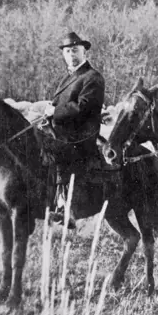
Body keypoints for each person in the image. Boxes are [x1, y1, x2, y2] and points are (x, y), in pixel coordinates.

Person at [43, 31, 114, 226]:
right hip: (62, 131)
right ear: (63, 55)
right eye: (67, 51)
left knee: (57, 151)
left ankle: (65, 207)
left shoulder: (93, 77)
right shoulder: (67, 79)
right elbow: (56, 103)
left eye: (75, 50)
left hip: (81, 134)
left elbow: (83, 107)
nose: (71, 55)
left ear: (84, 52)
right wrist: (48, 118)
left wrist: (54, 112)